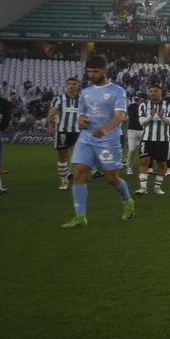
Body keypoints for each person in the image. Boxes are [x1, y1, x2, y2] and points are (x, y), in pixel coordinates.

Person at [62, 55, 136, 227]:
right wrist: (80, 120)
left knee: (112, 179)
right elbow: (82, 114)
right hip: (86, 139)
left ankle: (127, 202)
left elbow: (120, 116)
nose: (92, 75)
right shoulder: (85, 92)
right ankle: (80, 216)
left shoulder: (118, 91)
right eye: (89, 72)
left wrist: (105, 129)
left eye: (95, 71)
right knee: (78, 173)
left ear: (105, 70)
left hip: (107, 141)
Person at [135, 83, 170, 195]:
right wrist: (150, 116)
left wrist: (161, 116)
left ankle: (157, 188)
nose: (152, 94)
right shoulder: (143, 106)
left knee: (161, 164)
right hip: (147, 138)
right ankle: (143, 188)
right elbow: (141, 122)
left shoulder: (169, 106)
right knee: (144, 161)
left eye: (155, 91)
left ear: (160, 93)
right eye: (151, 92)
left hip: (163, 139)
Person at [46, 77, 83, 189]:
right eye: (69, 84)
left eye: (74, 84)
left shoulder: (83, 99)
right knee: (62, 156)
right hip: (62, 131)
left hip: (78, 132)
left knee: (79, 157)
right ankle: (64, 181)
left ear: (78, 85)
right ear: (66, 85)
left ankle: (78, 180)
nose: (71, 86)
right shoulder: (59, 99)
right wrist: (50, 126)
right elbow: (51, 114)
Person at [124, 88, 145, 175]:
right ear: (138, 99)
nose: (142, 102)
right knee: (131, 150)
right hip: (132, 130)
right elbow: (132, 118)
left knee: (144, 151)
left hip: (143, 131)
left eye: (144, 101)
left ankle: (144, 168)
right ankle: (129, 168)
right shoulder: (132, 106)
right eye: (141, 100)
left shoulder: (147, 107)